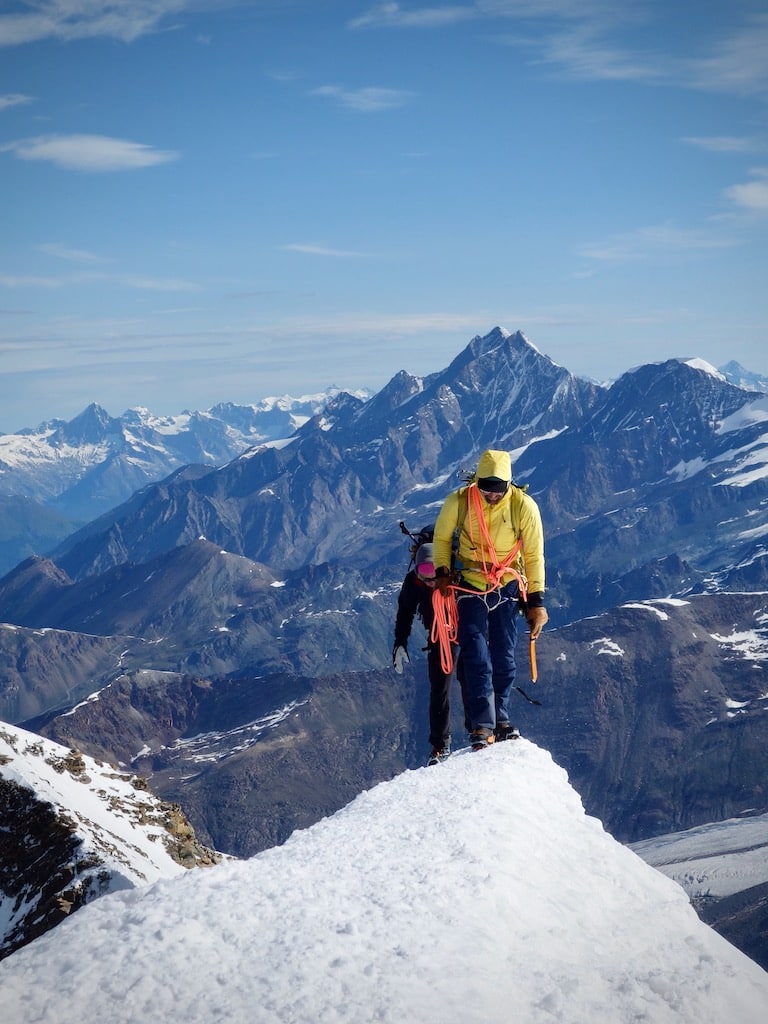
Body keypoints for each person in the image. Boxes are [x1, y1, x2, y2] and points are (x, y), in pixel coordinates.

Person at [432, 449, 548, 750]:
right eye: (485, 490)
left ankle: (501, 718)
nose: (492, 497)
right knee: (477, 657)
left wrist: (536, 601)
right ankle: (483, 725)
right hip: (470, 586)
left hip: (507, 586)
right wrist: (443, 572)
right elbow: (442, 539)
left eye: (497, 492)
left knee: (504, 657)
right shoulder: (459, 501)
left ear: (509, 485)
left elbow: (534, 555)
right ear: (477, 482)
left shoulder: (523, 506)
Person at [392, 542, 463, 765]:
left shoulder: (455, 576)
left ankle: (479, 731)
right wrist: (400, 642)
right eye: (425, 574)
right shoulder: (413, 583)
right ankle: (441, 745)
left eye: (434, 573)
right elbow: (405, 612)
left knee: (470, 681)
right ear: (417, 571)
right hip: (439, 638)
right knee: (439, 690)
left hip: (462, 632)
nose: (431, 580)